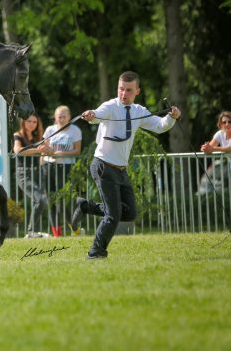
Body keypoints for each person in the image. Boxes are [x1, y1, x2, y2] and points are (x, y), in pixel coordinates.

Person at [76, 71, 181, 259]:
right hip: (103, 165)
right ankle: (95, 252)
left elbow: (160, 125)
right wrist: (91, 115)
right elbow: (98, 114)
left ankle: (86, 207)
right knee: (113, 216)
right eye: (121, 89)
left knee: (129, 212)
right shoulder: (110, 106)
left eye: (129, 90)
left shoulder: (139, 111)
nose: (124, 94)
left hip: (121, 170)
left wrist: (172, 117)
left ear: (137, 91)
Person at [38, 105, 82, 236]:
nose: (61, 119)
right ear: (55, 118)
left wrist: (59, 153)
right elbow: (44, 148)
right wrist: (42, 163)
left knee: (61, 201)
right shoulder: (50, 129)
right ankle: (56, 233)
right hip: (48, 166)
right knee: (50, 200)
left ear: (69, 117)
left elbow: (77, 150)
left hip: (65, 167)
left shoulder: (75, 130)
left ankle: (74, 227)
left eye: (64, 116)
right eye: (59, 117)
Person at [12, 113, 49, 238]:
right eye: (29, 121)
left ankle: (33, 231)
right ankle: (31, 232)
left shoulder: (37, 137)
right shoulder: (18, 135)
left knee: (39, 200)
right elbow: (18, 151)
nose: (32, 124)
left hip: (36, 173)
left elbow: (50, 150)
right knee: (41, 199)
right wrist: (38, 150)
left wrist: (46, 147)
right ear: (23, 122)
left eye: (34, 122)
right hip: (23, 174)